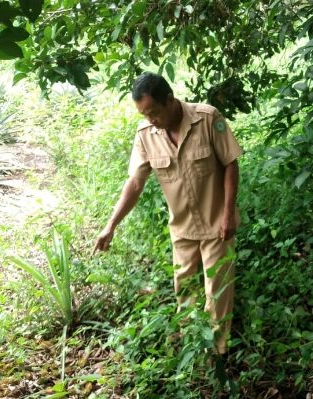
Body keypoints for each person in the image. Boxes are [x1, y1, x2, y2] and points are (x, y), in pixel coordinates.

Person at [93, 72, 242, 355]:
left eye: (154, 112)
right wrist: (111, 225)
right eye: (143, 114)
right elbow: (135, 183)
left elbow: (231, 165)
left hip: (216, 225)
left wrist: (227, 214)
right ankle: (192, 349)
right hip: (182, 228)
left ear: (170, 100)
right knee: (184, 292)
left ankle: (219, 354)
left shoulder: (208, 119)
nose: (150, 119)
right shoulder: (146, 136)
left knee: (218, 292)